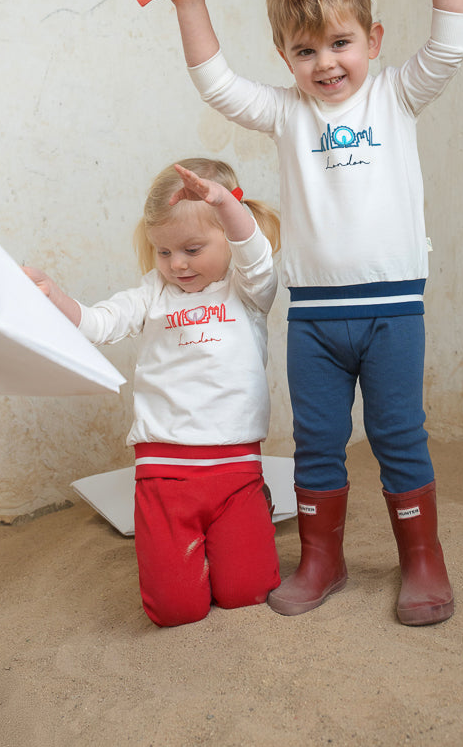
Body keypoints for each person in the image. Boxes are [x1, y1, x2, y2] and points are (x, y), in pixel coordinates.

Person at [167, 0, 463, 625]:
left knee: (399, 434)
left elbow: (449, 47)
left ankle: (423, 560)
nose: (325, 63)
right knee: (318, 439)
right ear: (284, 56)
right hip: (313, 319)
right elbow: (216, 84)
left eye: (340, 43)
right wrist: (190, 0)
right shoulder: (285, 111)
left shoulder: (395, 95)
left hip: (393, 311)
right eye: (305, 51)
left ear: (373, 37)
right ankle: (321, 560)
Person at [24, 158, 281, 628]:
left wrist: (224, 202)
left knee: (247, 593)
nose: (176, 264)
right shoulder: (151, 294)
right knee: (175, 611)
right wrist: (54, 296)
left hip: (235, 472)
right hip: (165, 474)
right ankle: (181, 550)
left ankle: (246, 520)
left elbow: (255, 253)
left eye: (191, 248)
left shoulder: (247, 291)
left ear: (227, 232)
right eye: (163, 252)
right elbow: (99, 324)